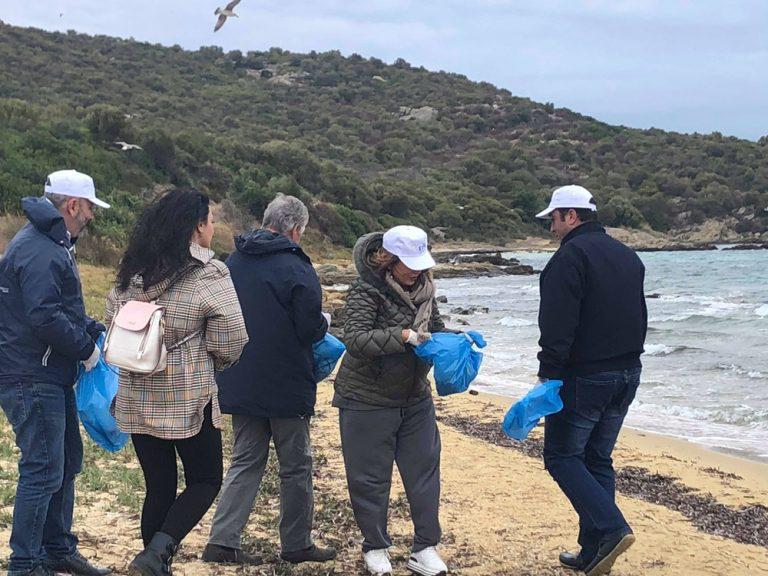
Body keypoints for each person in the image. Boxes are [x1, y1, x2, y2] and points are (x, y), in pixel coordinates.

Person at [105, 189, 248, 576]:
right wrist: (211, 360)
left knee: (159, 485)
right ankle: (156, 555)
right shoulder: (209, 274)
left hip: (136, 393)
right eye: (211, 220)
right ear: (196, 228)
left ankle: (152, 563)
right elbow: (233, 338)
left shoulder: (132, 271)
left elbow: (111, 320)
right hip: (188, 397)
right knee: (205, 479)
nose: (214, 227)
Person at [203, 194, 336, 566]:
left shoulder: (234, 261)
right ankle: (296, 543)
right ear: (295, 229)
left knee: (246, 460)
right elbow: (310, 329)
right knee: (295, 466)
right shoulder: (297, 267)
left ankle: (222, 540)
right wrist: (325, 322)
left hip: (239, 375)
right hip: (285, 382)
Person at [0, 170, 112, 576]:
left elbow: (57, 308)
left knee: (65, 461)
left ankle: (56, 548)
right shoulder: (41, 249)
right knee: (43, 467)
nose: (91, 217)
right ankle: (26, 563)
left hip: (46, 372)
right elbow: (44, 316)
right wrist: (86, 351)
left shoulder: (49, 244)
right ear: (71, 206)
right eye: (88, 208)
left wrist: (89, 329)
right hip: (31, 375)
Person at [534, 185, 647, 576]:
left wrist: (548, 375)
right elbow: (639, 316)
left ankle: (612, 528)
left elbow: (557, 325)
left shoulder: (569, 258)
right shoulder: (628, 256)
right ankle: (594, 550)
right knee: (597, 459)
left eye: (553, 218)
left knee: (562, 457)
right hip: (628, 372)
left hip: (585, 375)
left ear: (570, 215)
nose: (551, 226)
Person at [334, 225, 449, 576]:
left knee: (424, 473)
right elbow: (354, 339)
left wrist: (455, 342)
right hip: (365, 398)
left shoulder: (427, 291)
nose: (414, 270)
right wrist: (402, 336)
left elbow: (437, 329)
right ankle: (376, 547)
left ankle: (425, 548)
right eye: (407, 263)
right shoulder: (366, 290)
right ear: (388, 259)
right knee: (370, 479)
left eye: (419, 262)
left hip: (414, 398)